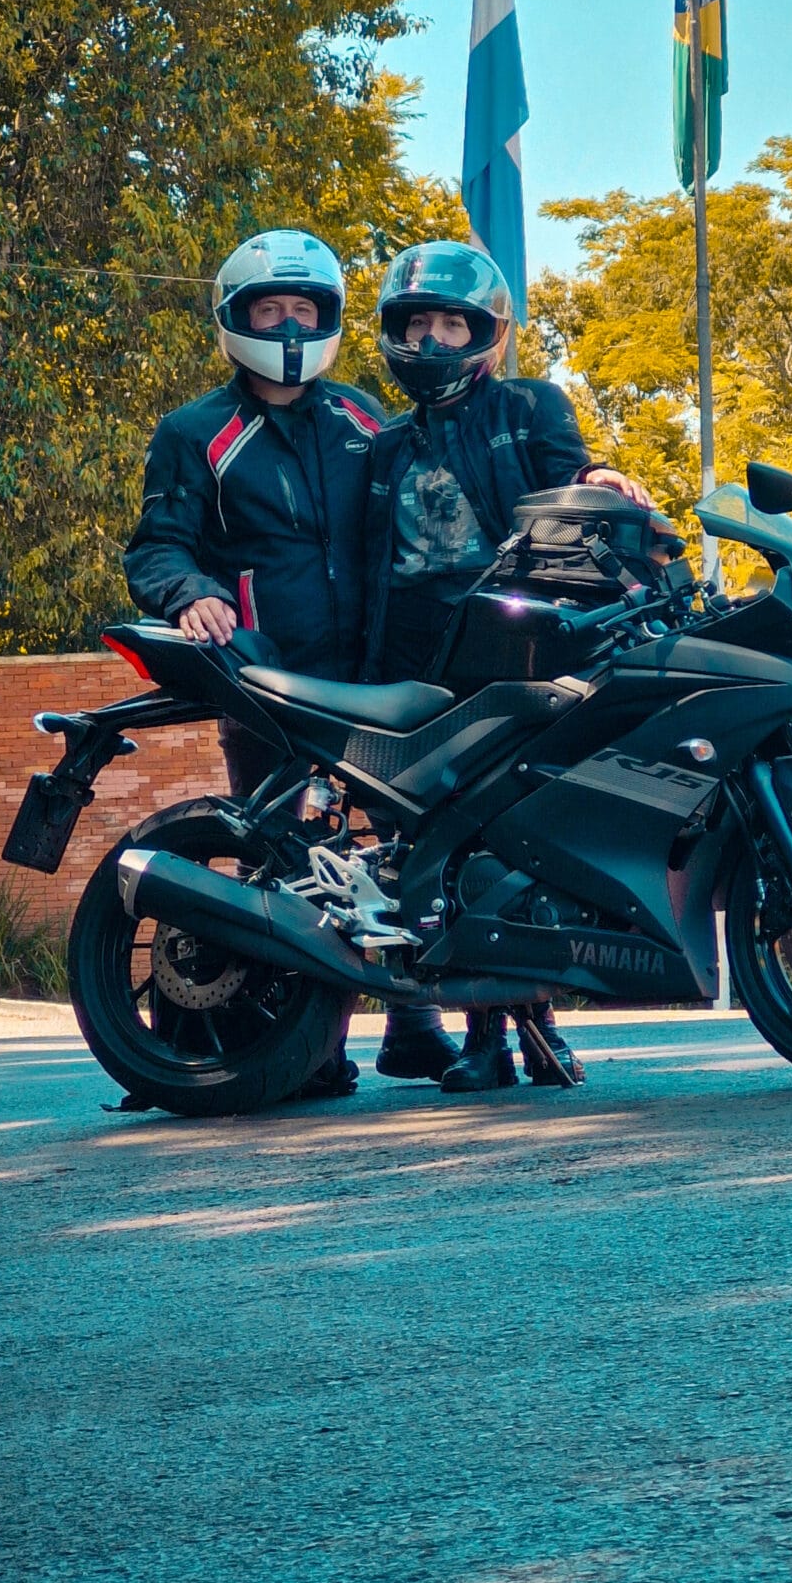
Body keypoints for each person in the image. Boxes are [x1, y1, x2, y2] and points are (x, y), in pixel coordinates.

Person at [123, 229, 460, 1091]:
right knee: (291, 858)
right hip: (268, 681)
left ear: (329, 318)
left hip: (377, 676)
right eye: (269, 308)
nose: (287, 325)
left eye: (303, 309)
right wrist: (191, 594)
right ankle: (308, 1049)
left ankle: (416, 1026)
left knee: (407, 844)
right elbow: (157, 545)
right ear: (235, 317)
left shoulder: (365, 419)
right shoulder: (194, 431)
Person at [361, 239, 655, 1096]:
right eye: (419, 322)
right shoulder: (381, 447)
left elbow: (569, 476)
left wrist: (598, 475)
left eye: (453, 324)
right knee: (438, 848)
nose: (434, 339)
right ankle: (487, 1037)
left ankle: (537, 1028)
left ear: (484, 334)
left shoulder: (529, 405)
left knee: (515, 837)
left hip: (514, 647)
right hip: (416, 662)